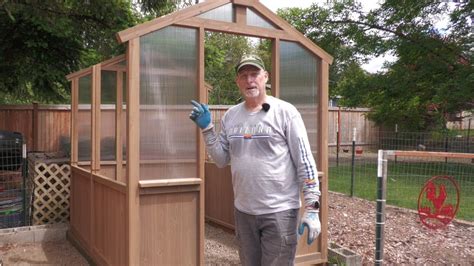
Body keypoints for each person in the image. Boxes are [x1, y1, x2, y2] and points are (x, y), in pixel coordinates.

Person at [189, 54, 321, 266]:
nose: (249, 80)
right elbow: (221, 159)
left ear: (265, 77)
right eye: (244, 75)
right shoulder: (231, 116)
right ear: (238, 81)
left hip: (280, 212)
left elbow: (305, 163)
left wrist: (313, 208)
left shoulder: (286, 112)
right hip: (244, 212)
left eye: (254, 74)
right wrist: (207, 129)